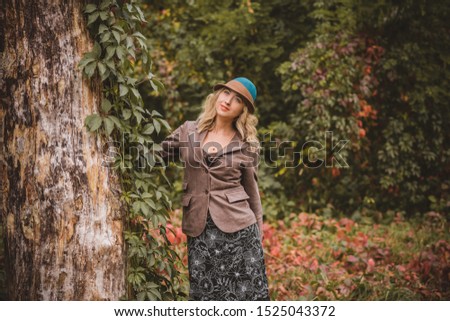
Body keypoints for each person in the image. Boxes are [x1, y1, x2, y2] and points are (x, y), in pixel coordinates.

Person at [161, 77, 269, 301]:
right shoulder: (188, 131)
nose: (228, 101)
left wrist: (258, 233)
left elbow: (252, 192)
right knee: (206, 295)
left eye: (237, 100)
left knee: (245, 298)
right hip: (200, 228)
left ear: (243, 111)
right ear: (217, 95)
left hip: (240, 230)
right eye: (226, 93)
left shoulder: (245, 145)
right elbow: (154, 156)